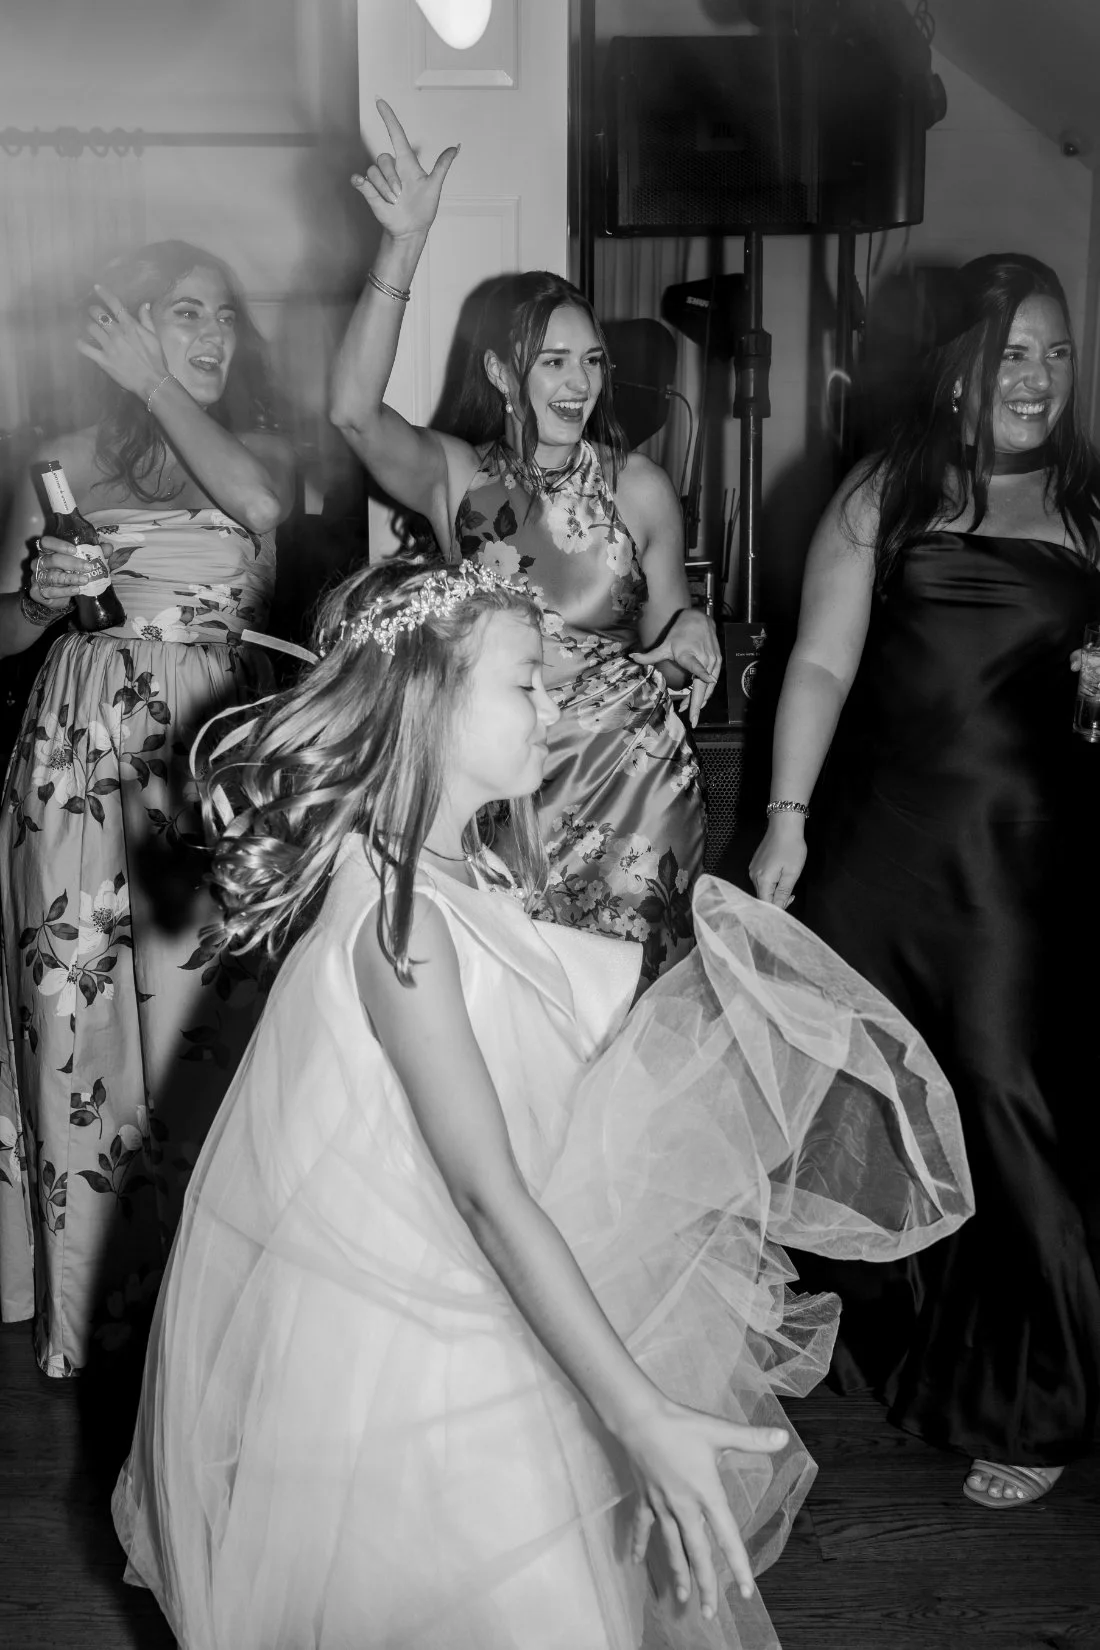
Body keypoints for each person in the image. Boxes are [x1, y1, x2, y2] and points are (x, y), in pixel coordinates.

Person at [111, 559, 972, 1650]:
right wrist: (636, 1411)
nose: (556, 704)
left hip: (498, 1303)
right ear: (424, 701)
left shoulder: (460, 873)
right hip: (428, 1345)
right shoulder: (400, 920)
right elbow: (484, 1192)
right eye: (525, 682)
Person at [750, 252, 1100, 1508]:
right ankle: (912, 1340)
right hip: (878, 849)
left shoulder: (1087, 509)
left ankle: (1046, 1396)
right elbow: (820, 668)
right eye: (1012, 352)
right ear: (958, 362)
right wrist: (786, 819)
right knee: (874, 1095)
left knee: (1005, 1102)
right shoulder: (884, 491)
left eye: (1055, 353)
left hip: (1014, 862)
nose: (1038, 378)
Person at [329, 100, 720, 985]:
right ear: (504, 373)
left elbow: (675, 637)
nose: (578, 382)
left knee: (620, 1031)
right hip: (504, 788)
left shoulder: (641, 487)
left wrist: (693, 636)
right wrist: (404, 245)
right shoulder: (461, 480)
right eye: (553, 360)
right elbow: (352, 414)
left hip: (636, 794)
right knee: (515, 1020)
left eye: (591, 361)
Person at [0, 240, 296, 1376]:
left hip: (206, 764)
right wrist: (35, 596)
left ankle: (206, 1314)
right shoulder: (56, 463)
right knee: (76, 1026)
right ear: (123, 326)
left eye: (223, 317)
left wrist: (159, 383)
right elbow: (4, 634)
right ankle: (90, 1319)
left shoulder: (253, 454)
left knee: (195, 1035)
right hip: (74, 763)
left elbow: (259, 504)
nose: (216, 336)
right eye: (185, 316)